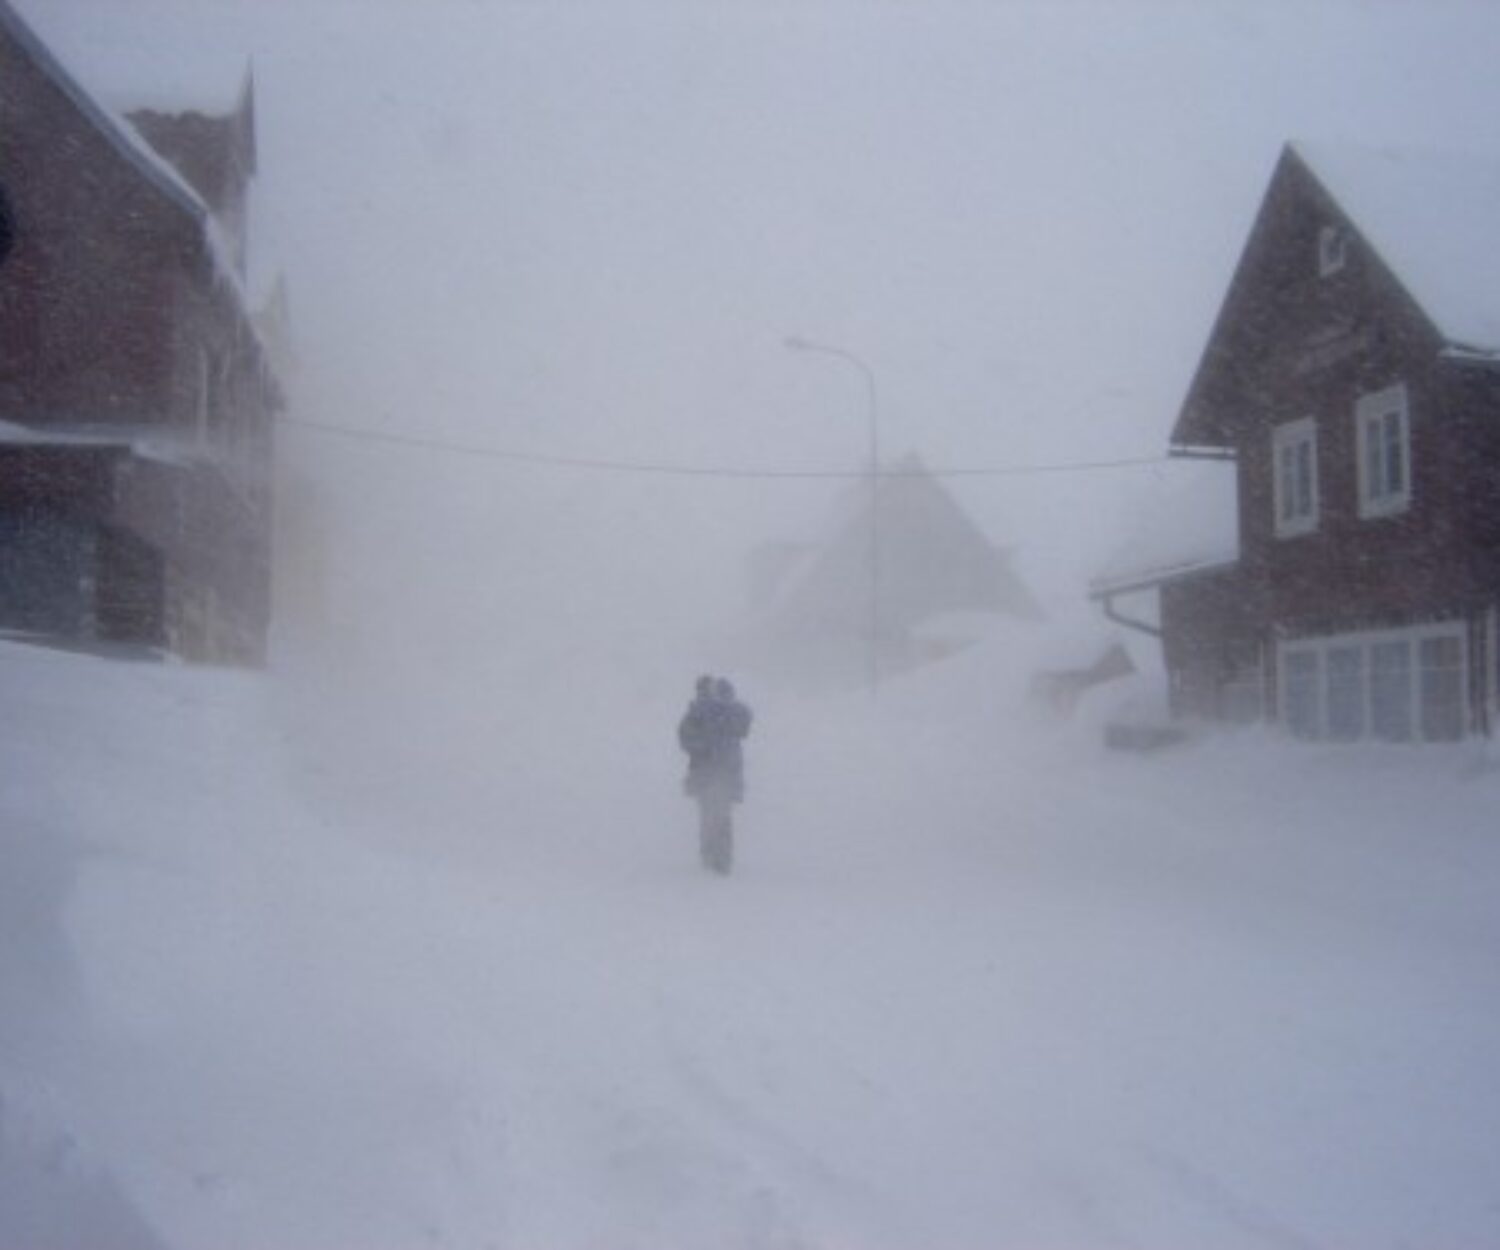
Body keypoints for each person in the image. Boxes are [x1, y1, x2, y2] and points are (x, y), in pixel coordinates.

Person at [677, 674, 753, 802]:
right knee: (720, 809)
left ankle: (714, 820)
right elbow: (744, 726)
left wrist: (700, 749)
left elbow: (685, 738)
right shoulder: (730, 710)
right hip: (725, 769)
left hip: (707, 769)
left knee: (710, 808)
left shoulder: (699, 711)